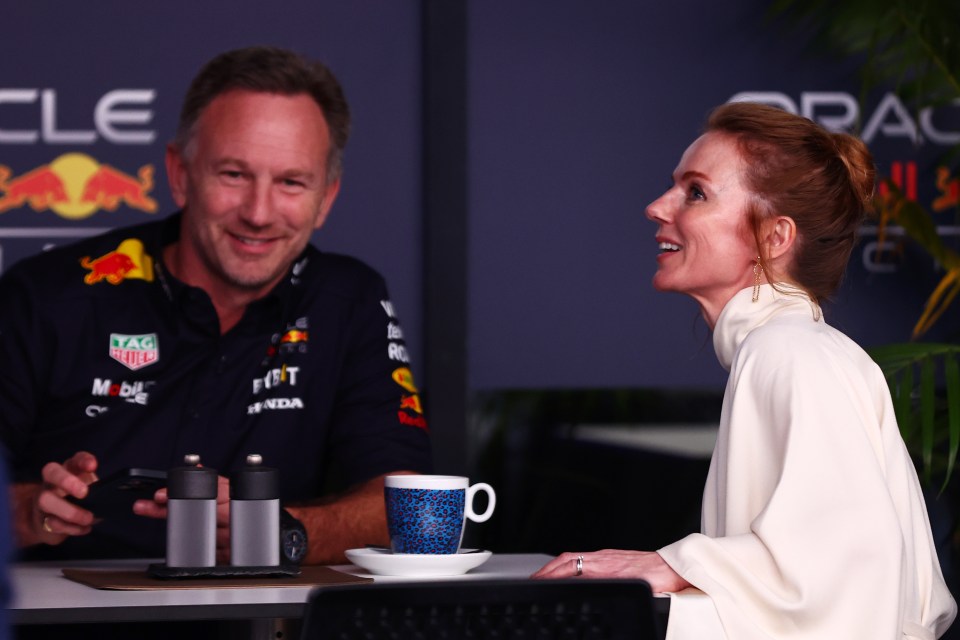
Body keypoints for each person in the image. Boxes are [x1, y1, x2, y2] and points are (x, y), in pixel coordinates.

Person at [534, 102, 958, 639]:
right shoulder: (795, 348)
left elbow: (852, 568)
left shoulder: (788, 352)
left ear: (776, 238)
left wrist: (676, 566)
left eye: (696, 192)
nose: (656, 207)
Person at [0, 46, 432, 565]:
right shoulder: (47, 294)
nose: (258, 212)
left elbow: (409, 503)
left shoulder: (347, 299)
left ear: (328, 197)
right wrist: (26, 513)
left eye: (291, 182)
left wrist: (280, 531)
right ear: (180, 174)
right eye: (233, 174)